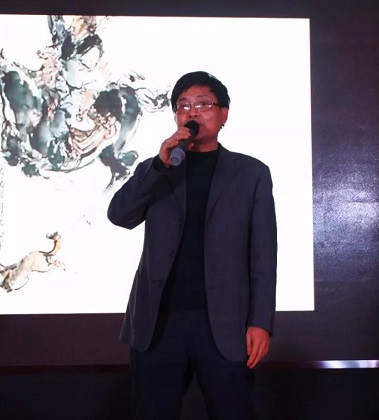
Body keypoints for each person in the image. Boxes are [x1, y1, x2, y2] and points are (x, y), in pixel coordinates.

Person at [107, 70, 277, 420]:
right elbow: (120, 215)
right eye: (183, 106)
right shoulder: (159, 168)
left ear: (224, 114)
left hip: (224, 323)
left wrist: (260, 321)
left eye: (203, 104)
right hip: (158, 324)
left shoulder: (251, 173)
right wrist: (159, 166)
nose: (192, 112)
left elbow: (263, 255)